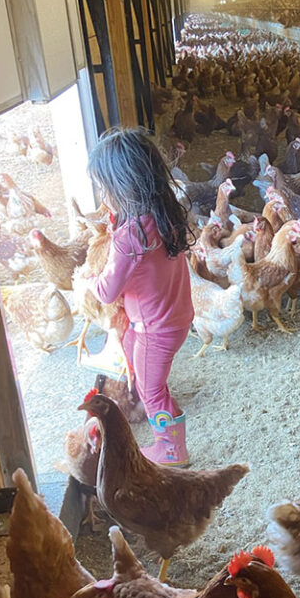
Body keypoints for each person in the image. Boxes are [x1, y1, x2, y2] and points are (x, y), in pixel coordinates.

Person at [85, 127, 194, 466]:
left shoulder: (129, 237)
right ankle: (169, 432)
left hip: (154, 328)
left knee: (151, 392)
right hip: (173, 317)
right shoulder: (162, 214)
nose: (103, 195)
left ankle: (171, 450)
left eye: (104, 187)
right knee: (137, 359)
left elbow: (107, 291)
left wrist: (88, 279)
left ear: (120, 186)